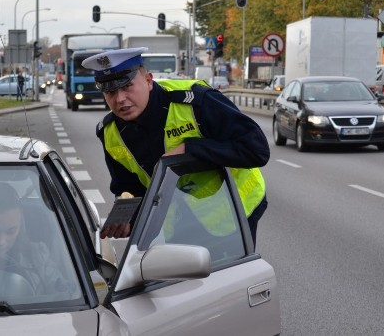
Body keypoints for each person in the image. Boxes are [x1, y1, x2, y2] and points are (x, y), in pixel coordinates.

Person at [82, 47, 269, 247]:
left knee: (229, 278)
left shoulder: (195, 101)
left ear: (148, 81)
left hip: (235, 212)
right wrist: (128, 217)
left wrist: (189, 150)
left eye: (127, 86)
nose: (119, 99)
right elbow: (129, 187)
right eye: (110, 91)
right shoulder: (109, 132)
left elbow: (256, 149)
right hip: (178, 226)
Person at [0, 183, 66, 295]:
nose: (1, 241)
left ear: (21, 226)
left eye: (11, 231)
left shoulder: (37, 256)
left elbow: (61, 291)